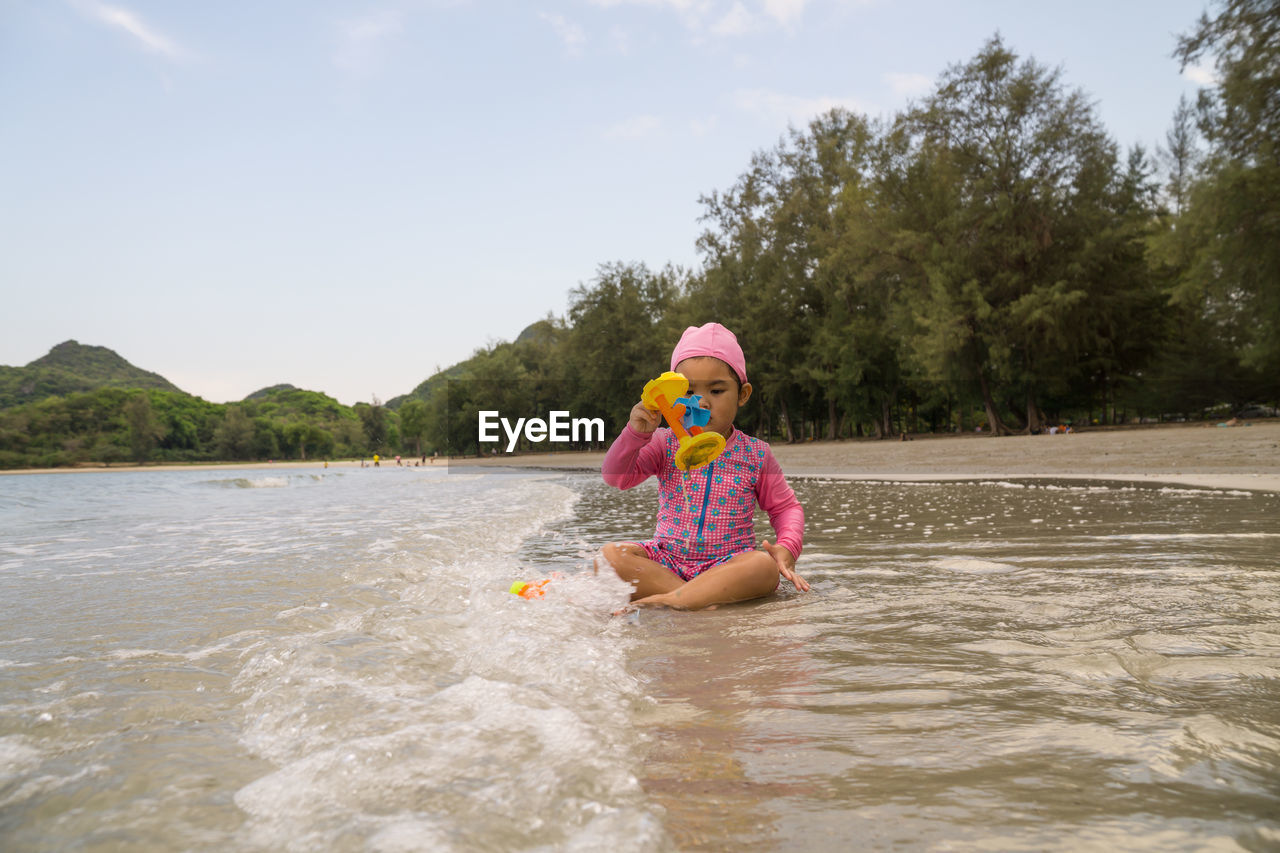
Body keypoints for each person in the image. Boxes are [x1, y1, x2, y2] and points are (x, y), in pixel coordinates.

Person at [600, 322, 808, 610]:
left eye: (717, 391)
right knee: (610, 556)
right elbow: (615, 478)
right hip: (668, 562)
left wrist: (787, 548)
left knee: (763, 566)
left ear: (743, 394)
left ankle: (673, 599)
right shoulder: (664, 443)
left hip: (728, 564)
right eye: (687, 392)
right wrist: (636, 433)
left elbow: (786, 508)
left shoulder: (755, 454)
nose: (701, 403)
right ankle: (696, 597)